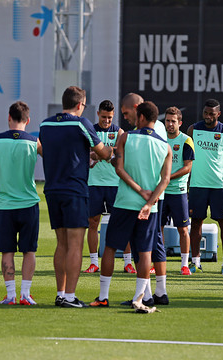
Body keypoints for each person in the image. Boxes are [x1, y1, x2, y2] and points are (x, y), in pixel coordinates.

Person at [90, 101, 171, 311]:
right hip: (149, 207)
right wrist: (150, 201)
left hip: (125, 202)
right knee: (145, 252)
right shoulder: (165, 146)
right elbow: (165, 180)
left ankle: (103, 296)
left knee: (110, 247)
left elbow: (119, 169)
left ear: (141, 117)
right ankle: (139, 298)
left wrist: (137, 189)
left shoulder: (126, 137)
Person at [39, 86, 113, 308]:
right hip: (74, 190)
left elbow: (58, 150)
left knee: (61, 244)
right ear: (81, 104)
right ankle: (70, 297)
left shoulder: (45, 124)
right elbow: (104, 153)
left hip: (52, 189)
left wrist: (83, 154)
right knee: (75, 245)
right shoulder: (82, 123)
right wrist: (111, 151)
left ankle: (60, 293)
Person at [0, 101, 42, 305]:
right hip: (29, 204)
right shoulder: (35, 142)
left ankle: (11, 295)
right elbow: (53, 161)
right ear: (28, 120)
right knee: (29, 251)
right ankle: (25, 294)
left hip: (6, 206)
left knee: (7, 251)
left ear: (9, 117)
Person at [119, 93, 168, 304]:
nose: (126, 118)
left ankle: (146, 295)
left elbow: (137, 161)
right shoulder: (158, 128)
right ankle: (159, 292)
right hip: (156, 194)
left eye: (127, 113)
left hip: (149, 195)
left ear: (138, 110)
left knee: (144, 245)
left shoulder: (144, 131)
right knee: (154, 242)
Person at [188, 99, 223, 274]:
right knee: (196, 222)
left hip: (219, 185)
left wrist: (218, 171)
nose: (208, 117)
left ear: (218, 114)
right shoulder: (193, 130)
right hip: (197, 184)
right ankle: (195, 262)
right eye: (206, 113)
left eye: (212, 114)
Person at [84, 100, 125, 273]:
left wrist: (100, 153)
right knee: (93, 223)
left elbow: (122, 150)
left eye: (109, 117)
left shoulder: (119, 131)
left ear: (113, 115)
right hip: (94, 184)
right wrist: (95, 154)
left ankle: (128, 262)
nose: (106, 121)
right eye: (103, 117)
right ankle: (94, 262)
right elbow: (85, 151)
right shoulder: (90, 130)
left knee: (123, 223)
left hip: (115, 184)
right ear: (98, 114)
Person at [160, 107, 194, 275]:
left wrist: (167, 177)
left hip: (178, 191)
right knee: (158, 228)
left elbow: (188, 167)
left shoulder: (186, 140)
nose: (170, 124)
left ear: (180, 123)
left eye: (173, 121)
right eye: (167, 121)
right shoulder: (159, 138)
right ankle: (158, 262)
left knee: (183, 229)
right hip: (160, 192)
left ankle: (184, 264)